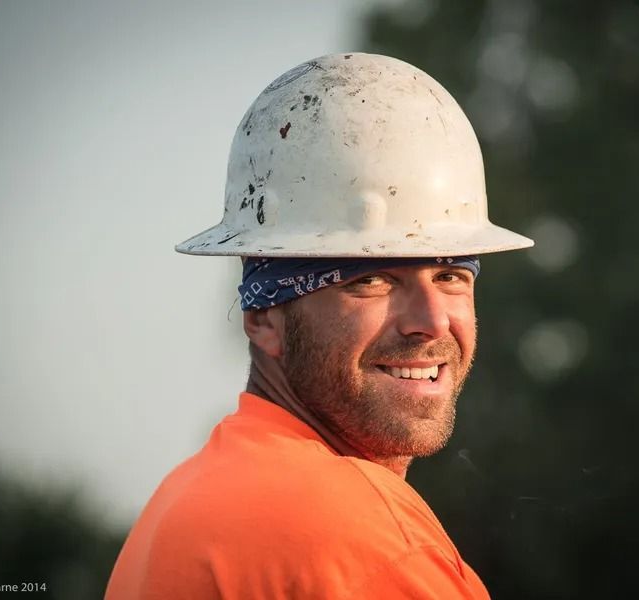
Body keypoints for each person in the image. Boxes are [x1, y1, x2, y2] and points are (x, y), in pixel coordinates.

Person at [105, 52, 533, 599]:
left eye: (450, 275)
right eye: (372, 280)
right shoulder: (364, 542)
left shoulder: (186, 497)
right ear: (264, 315)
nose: (431, 322)